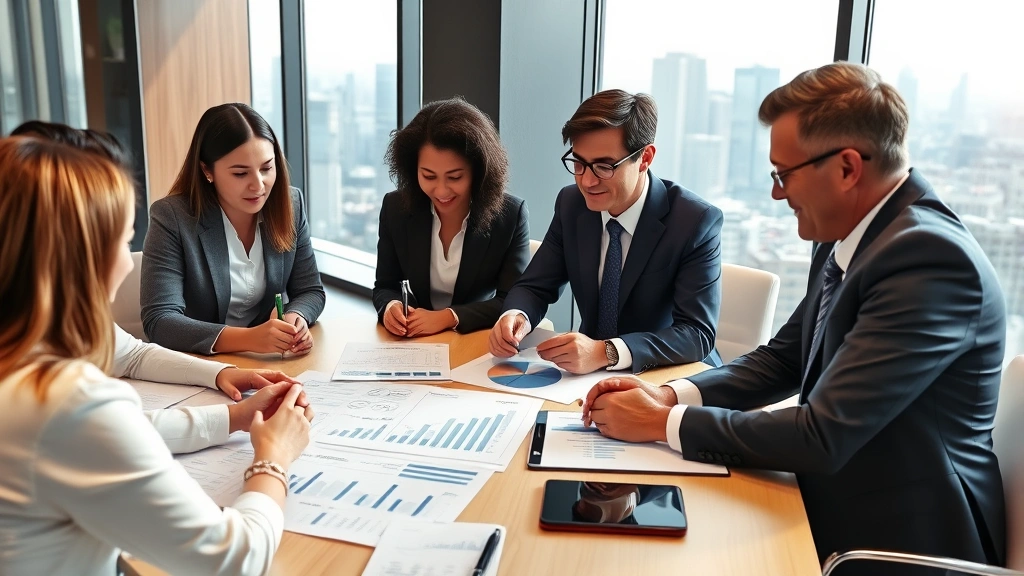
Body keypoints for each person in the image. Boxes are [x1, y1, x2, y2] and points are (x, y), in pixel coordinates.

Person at [581, 63, 1006, 574]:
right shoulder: (853, 234)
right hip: (823, 499)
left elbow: (822, 436)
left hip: (895, 542)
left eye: (784, 175)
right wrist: (668, 396)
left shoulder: (929, 260)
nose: (777, 195)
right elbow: (784, 359)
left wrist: (662, 423)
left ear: (848, 168)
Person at [0, 135, 315, 575]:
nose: (130, 264)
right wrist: (274, 458)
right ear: (78, 258)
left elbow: (117, 427)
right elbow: (232, 559)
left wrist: (235, 418)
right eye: (123, 241)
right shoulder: (66, 402)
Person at [11, 120, 301, 400]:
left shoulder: (56, 319)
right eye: (122, 241)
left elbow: (132, 355)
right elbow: (158, 326)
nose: (129, 263)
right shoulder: (61, 387)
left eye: (266, 167)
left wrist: (221, 378)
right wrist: (269, 449)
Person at [489, 89, 723, 375]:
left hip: (666, 375)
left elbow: (697, 334)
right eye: (578, 162)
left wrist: (606, 352)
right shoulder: (571, 204)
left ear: (645, 158)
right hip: (588, 376)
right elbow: (536, 286)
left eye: (603, 166)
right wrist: (517, 316)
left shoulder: (694, 221)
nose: (587, 181)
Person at [142, 103, 326, 355]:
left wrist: (296, 316)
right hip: (200, 364)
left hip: (266, 361)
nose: (258, 185)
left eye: (266, 168)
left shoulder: (290, 204)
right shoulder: (172, 217)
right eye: (240, 173)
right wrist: (251, 339)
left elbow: (310, 290)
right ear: (207, 171)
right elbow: (160, 321)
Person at [374, 97, 530, 336]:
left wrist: (448, 317)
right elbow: (385, 286)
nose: (441, 191)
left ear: (478, 172)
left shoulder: (510, 215)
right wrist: (391, 307)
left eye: (455, 177)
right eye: (428, 176)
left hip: (475, 339)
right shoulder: (396, 207)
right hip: (416, 339)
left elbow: (512, 299)